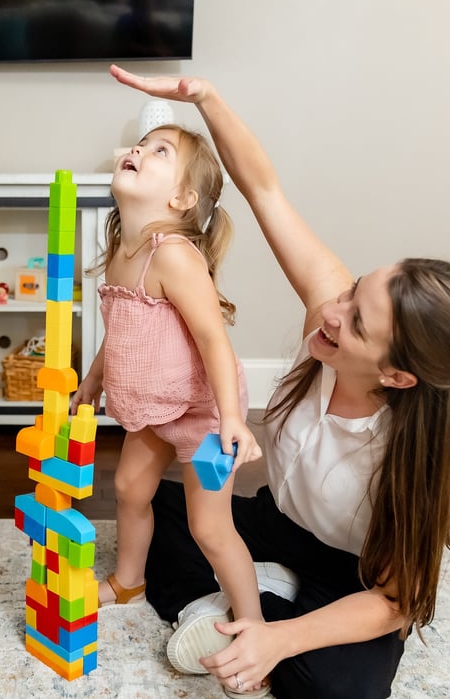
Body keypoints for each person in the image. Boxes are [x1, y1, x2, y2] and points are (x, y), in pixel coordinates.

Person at [110, 63, 450, 699]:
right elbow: (263, 190)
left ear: (396, 374)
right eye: (351, 291)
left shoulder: (422, 458)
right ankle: (255, 594)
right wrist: (204, 98)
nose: (331, 310)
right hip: (280, 523)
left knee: (333, 688)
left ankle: (260, 616)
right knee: (154, 505)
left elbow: (400, 600)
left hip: (354, 574)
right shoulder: (328, 313)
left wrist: (281, 639)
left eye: (354, 321)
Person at [70, 113, 263, 628]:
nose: (139, 150)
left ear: (181, 200)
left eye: (160, 151)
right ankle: (129, 580)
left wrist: (231, 419)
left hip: (205, 417)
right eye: (141, 144)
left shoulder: (174, 256)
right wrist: (93, 380)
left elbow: (212, 340)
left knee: (209, 526)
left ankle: (252, 623)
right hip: (156, 409)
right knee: (131, 489)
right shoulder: (120, 251)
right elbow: (123, 331)